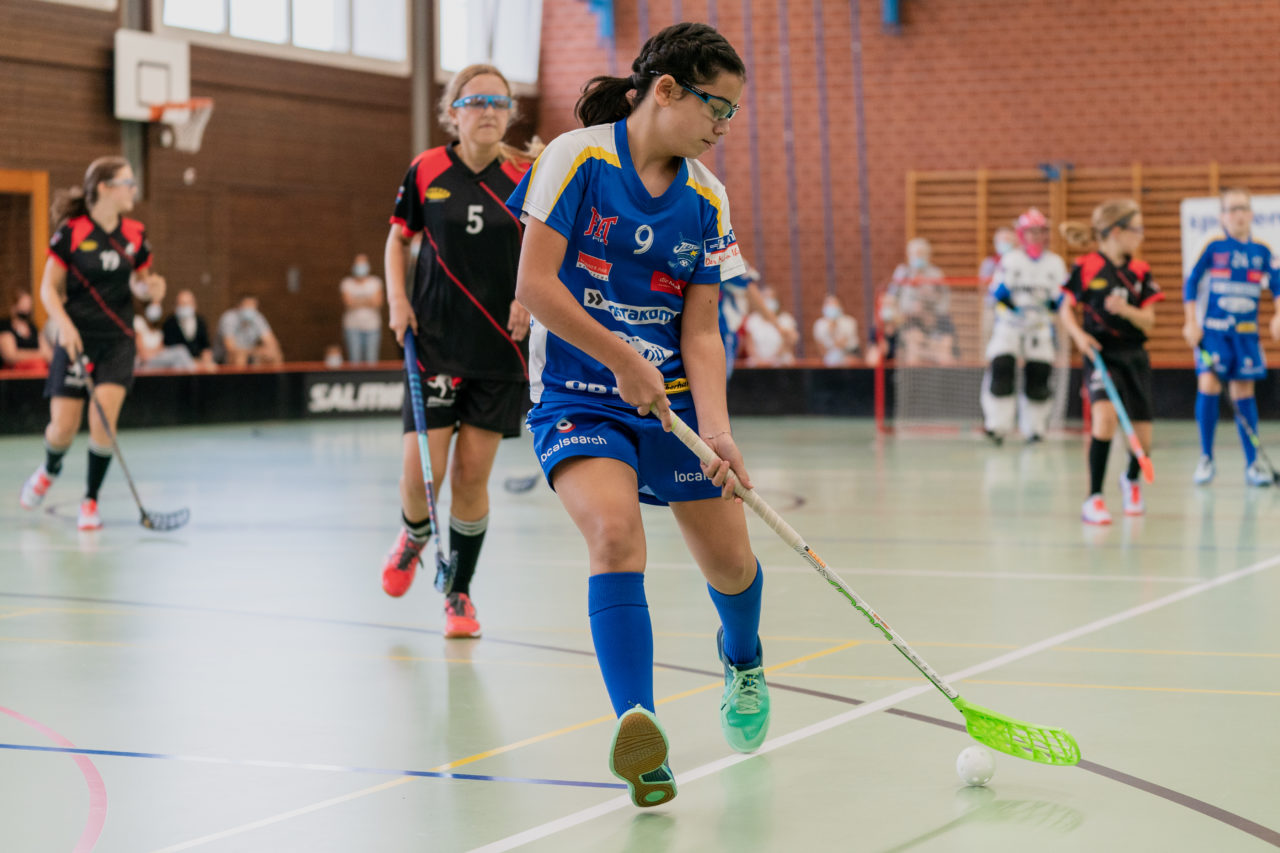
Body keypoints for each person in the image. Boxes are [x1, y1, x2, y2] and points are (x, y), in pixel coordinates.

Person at [507, 22, 767, 810]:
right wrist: (620, 355)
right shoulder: (577, 156)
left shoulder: (706, 197)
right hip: (580, 391)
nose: (724, 126)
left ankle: (745, 658)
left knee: (731, 564)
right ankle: (638, 727)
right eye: (716, 109)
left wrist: (716, 429)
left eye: (731, 114)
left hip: (676, 401)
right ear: (666, 91)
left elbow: (700, 329)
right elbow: (535, 285)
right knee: (615, 534)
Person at [381, 63, 535, 640]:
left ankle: (458, 594)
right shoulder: (426, 169)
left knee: (471, 478)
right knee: (423, 477)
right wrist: (397, 301)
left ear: (510, 112)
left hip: (500, 351)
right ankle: (415, 535)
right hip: (435, 343)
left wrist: (529, 299)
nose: (489, 110)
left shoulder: (526, 174)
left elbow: (548, 251)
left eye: (500, 101)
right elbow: (398, 239)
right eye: (477, 101)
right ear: (454, 112)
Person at [18, 156, 166, 530]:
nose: (133, 190)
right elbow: (48, 290)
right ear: (104, 188)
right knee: (62, 429)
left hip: (118, 338)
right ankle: (50, 469)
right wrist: (63, 325)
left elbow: (140, 283)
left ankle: (90, 500)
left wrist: (152, 289)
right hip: (76, 338)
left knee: (103, 419)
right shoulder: (72, 232)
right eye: (127, 183)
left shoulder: (135, 233)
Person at [1058, 199, 1162, 525]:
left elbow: (1149, 321)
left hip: (1135, 355)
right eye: (1138, 229)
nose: (1141, 235)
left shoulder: (1140, 270)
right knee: (1104, 420)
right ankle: (1094, 498)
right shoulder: (1086, 266)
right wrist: (1078, 337)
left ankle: (1130, 481)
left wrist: (1126, 310)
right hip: (1101, 354)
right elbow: (1064, 307)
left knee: (1142, 438)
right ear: (1117, 232)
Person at [1183, 188, 1280, 487]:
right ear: (1223, 216)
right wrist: (1190, 322)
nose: (1239, 214)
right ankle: (1206, 458)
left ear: (1252, 213)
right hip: (1213, 333)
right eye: (1233, 209)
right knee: (1209, 383)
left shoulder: (1263, 250)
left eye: (1244, 208)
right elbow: (1191, 283)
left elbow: (1277, 287)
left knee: (1243, 391)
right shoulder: (1213, 245)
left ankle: (1252, 465)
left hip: (1246, 336)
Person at [980, 209, 1068, 444]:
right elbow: (998, 292)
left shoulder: (1055, 263)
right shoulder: (1011, 260)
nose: (1034, 236)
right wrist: (1016, 307)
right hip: (1010, 325)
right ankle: (997, 426)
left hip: (1039, 327)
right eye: (1030, 232)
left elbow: (1060, 299)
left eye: (1038, 231)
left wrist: (1047, 306)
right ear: (1021, 234)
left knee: (1038, 377)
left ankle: (1035, 429)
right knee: (1002, 369)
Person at [888, 237, 955, 365]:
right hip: (909, 322)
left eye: (921, 253)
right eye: (915, 253)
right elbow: (891, 298)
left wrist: (932, 307)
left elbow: (945, 299)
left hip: (933, 321)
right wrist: (901, 314)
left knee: (945, 355)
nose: (918, 257)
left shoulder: (935, 274)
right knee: (914, 352)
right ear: (909, 255)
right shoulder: (903, 272)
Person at [340, 254, 384, 363]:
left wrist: (357, 300)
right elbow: (348, 303)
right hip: (352, 327)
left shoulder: (375, 282)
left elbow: (377, 302)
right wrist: (368, 299)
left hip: (372, 327)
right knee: (355, 361)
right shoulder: (347, 283)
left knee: (371, 361)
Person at [217, 294, 282, 366]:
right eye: (247, 306)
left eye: (253, 306)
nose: (251, 309)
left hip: (250, 353)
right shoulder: (229, 318)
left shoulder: (257, 317)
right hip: (226, 356)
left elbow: (272, 342)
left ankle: (277, 377)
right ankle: (239, 377)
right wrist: (252, 352)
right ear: (239, 306)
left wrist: (264, 351)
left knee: (273, 353)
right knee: (240, 356)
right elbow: (230, 347)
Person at [742, 283, 797, 366]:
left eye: (771, 298)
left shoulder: (785, 319)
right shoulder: (753, 320)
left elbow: (790, 340)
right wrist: (760, 360)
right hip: (758, 362)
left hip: (780, 362)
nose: (768, 301)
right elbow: (749, 344)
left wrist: (774, 358)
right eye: (765, 297)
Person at [162, 289, 216, 370]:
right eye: (182, 304)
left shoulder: (200, 321)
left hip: (199, 363)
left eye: (187, 303)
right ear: (176, 306)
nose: (185, 307)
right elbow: (168, 347)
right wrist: (190, 363)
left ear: (194, 305)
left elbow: (206, 346)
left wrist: (205, 360)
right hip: (177, 365)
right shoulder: (170, 322)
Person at [134, 299, 195, 371]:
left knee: (178, 364)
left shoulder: (158, 328)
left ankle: (190, 379)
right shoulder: (138, 321)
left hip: (156, 358)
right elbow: (143, 353)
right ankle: (195, 375)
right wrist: (156, 352)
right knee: (180, 351)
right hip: (144, 362)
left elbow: (161, 348)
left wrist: (155, 351)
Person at [0, 289, 53, 371]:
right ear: (14, 306)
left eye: (29, 304)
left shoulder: (33, 328)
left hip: (37, 369)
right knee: (38, 366)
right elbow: (10, 356)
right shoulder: (6, 326)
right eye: (24, 304)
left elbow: (46, 352)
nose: (27, 307)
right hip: (13, 373)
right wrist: (40, 355)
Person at [812, 294, 860, 366]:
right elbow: (821, 349)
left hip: (849, 354)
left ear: (840, 307)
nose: (831, 307)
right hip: (828, 358)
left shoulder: (849, 322)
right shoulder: (819, 325)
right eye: (828, 304)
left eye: (834, 304)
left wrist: (834, 329)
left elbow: (842, 343)